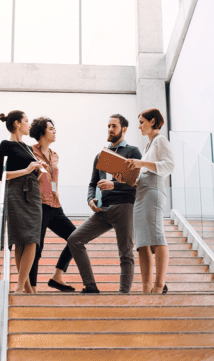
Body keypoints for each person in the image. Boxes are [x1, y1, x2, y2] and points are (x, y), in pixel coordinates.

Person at [67, 115, 142, 294]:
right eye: (108, 126)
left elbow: (138, 181)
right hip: (103, 209)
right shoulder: (101, 155)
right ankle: (91, 285)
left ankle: (123, 294)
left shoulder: (133, 152)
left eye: (114, 126)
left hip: (124, 206)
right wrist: (90, 199)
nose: (110, 129)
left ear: (124, 129)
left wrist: (114, 184)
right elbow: (93, 183)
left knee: (126, 253)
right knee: (74, 240)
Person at [125, 109, 175, 294]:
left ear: (153, 121)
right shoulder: (148, 146)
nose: (139, 126)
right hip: (141, 192)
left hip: (153, 191)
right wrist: (126, 177)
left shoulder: (160, 140)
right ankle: (146, 286)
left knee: (156, 235)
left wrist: (140, 164)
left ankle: (159, 285)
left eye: (142, 122)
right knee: (142, 241)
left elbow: (169, 166)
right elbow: (143, 174)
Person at [0, 110, 46, 294]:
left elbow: (30, 169)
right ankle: (22, 288)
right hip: (15, 192)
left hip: (32, 193)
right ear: (17, 123)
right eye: (26, 121)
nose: (29, 124)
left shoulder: (27, 147)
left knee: (32, 239)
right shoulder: (5, 145)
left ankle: (24, 289)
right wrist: (27, 169)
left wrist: (38, 171)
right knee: (20, 241)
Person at [28, 117, 77, 292]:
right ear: (41, 132)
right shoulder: (29, 152)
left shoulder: (54, 155)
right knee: (36, 247)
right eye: (51, 128)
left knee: (76, 238)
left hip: (55, 205)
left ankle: (57, 277)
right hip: (38, 205)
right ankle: (31, 288)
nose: (54, 131)